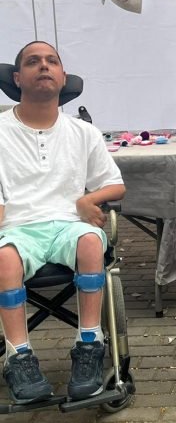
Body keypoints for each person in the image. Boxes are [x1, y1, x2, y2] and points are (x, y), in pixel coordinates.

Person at [0, 41, 126, 404]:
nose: (44, 66)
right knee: (4, 257)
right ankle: (18, 356)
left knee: (90, 240)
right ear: (16, 78)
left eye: (51, 61)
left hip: (67, 225)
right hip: (17, 228)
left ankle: (89, 344)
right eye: (33, 61)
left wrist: (88, 200)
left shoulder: (83, 132)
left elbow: (115, 184)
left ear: (63, 76)